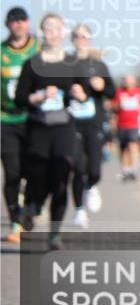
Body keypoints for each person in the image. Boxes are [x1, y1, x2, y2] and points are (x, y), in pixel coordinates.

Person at [13, 13, 91, 250]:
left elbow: (85, 94)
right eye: (48, 29)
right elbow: (19, 98)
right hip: (39, 127)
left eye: (57, 29)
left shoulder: (72, 63)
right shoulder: (32, 64)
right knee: (37, 177)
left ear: (64, 33)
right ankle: (33, 206)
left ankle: (55, 233)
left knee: (60, 178)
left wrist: (80, 93)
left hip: (64, 128)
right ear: (41, 32)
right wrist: (37, 97)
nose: (53, 33)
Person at [67, 24, 116, 229]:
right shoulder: (65, 63)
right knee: (77, 166)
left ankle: (92, 185)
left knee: (94, 168)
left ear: (89, 39)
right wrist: (70, 90)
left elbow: (112, 92)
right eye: (77, 36)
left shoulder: (99, 65)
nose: (81, 39)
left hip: (94, 122)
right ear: (72, 39)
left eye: (84, 36)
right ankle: (79, 210)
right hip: (72, 122)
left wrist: (102, 86)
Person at [2, 7, 39, 242]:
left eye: (22, 20)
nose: (18, 24)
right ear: (7, 25)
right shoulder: (1, 51)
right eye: (13, 21)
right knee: (13, 173)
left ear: (28, 23)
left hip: (34, 119)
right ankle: (16, 220)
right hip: (6, 119)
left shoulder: (39, 49)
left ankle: (31, 208)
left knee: (34, 171)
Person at [113, 75, 140, 181]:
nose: (128, 83)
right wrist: (120, 103)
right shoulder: (119, 92)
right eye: (126, 81)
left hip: (134, 124)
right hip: (121, 124)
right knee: (123, 148)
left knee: (133, 145)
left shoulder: (139, 92)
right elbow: (113, 107)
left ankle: (134, 169)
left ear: (134, 82)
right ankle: (125, 169)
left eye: (130, 81)